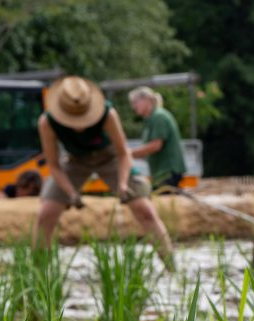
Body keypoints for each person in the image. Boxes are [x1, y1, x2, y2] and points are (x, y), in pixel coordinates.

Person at [34, 76, 174, 268]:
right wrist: (71, 193)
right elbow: (54, 166)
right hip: (75, 161)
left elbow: (124, 153)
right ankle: (38, 273)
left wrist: (123, 184)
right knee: (45, 213)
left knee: (145, 209)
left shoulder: (107, 114)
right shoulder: (47, 122)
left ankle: (171, 267)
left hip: (110, 158)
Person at [128, 87, 187, 191]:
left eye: (135, 102)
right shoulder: (151, 119)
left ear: (146, 99)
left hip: (168, 172)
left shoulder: (159, 117)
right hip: (161, 174)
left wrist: (128, 154)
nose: (133, 106)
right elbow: (148, 151)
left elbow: (155, 146)